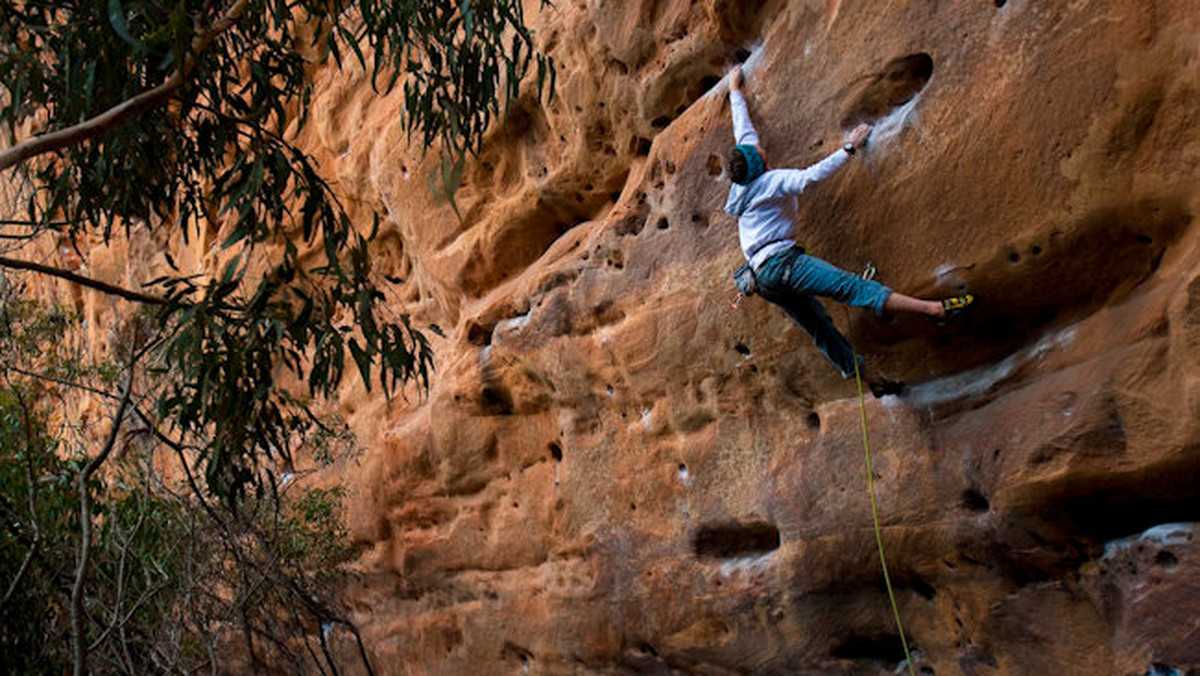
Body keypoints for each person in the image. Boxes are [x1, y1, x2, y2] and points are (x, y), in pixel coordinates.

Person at [725, 65, 972, 396]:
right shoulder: (771, 181)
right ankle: (936, 310)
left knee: (821, 329)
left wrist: (734, 91)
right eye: (757, 151)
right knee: (850, 287)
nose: (758, 147)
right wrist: (849, 148)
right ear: (759, 164)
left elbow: (743, 131)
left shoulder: (744, 181)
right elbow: (808, 178)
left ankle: (872, 382)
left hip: (764, 278)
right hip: (782, 265)